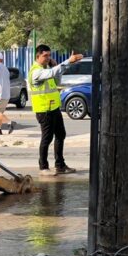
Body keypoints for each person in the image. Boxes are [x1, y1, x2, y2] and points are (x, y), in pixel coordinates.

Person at [28, 44, 83, 175]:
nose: (48, 58)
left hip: (54, 108)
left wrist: (56, 66)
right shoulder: (36, 71)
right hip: (44, 110)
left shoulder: (47, 69)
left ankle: (60, 165)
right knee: (47, 138)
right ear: (38, 56)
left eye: (49, 55)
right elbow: (51, 73)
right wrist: (68, 61)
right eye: (45, 56)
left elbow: (56, 80)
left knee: (60, 135)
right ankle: (43, 167)